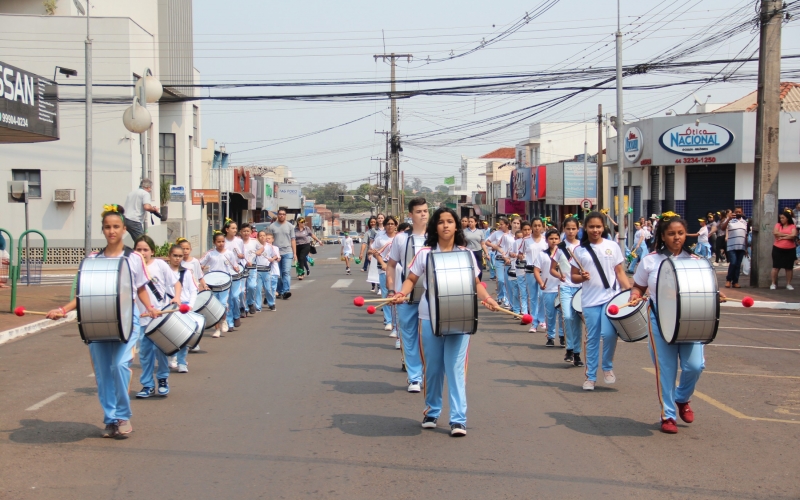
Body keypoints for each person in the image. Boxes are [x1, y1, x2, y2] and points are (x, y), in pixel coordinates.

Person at [45, 204, 156, 438]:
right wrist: (62, 309)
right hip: (97, 321)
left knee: (119, 366)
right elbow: (84, 294)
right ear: (103, 230)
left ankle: (123, 416)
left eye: (116, 226)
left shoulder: (134, 258)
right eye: (107, 227)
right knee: (103, 373)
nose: (111, 231)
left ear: (124, 229)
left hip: (128, 321)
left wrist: (150, 307)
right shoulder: (92, 259)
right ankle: (110, 419)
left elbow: (141, 288)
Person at [392, 207, 499, 437]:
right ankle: (432, 411)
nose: (446, 225)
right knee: (432, 369)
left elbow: (477, 283)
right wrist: (401, 294)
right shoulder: (424, 254)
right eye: (441, 222)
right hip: (429, 318)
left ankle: (458, 419)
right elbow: (411, 279)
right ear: (435, 227)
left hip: (460, 318)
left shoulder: (467, 254)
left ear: (456, 226)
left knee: (455, 368)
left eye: (450, 221)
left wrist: (488, 299)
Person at [628, 213, 723, 434]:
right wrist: (635, 295)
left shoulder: (697, 261)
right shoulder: (650, 260)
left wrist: (717, 294)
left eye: (680, 233)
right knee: (666, 370)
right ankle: (668, 415)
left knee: (695, 366)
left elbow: (708, 288)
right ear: (662, 236)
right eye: (671, 234)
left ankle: (682, 398)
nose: (677, 237)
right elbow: (639, 286)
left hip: (691, 319)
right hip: (660, 320)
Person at [570, 211, 631, 391]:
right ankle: (590, 377)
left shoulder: (612, 246)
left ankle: (607, 367)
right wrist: (581, 277)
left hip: (611, 298)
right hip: (589, 301)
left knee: (611, 334)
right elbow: (573, 277)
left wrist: (628, 291)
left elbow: (620, 272)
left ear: (603, 227)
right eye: (591, 227)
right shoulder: (579, 251)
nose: (595, 230)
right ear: (585, 228)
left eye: (598, 226)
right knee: (592, 338)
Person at [386, 198, 429, 393]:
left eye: (426, 211)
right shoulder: (401, 238)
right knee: (409, 337)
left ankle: (429, 372)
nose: (423, 214)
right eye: (419, 211)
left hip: (431, 297)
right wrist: (392, 290)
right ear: (410, 215)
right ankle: (414, 377)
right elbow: (391, 265)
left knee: (428, 337)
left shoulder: (436, 236)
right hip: (406, 296)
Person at [133, 235, 180, 399]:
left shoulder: (160, 265)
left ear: (152, 251)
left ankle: (162, 379)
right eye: (138, 249)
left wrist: (177, 298)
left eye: (145, 249)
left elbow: (176, 283)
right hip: (141, 318)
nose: (142, 252)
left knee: (160, 350)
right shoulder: (132, 268)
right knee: (145, 353)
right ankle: (147, 384)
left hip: (160, 318)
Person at [551, 217, 583, 366]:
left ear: (578, 229)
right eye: (568, 229)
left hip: (581, 288)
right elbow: (552, 269)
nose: (571, 231)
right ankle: (569, 347)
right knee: (568, 317)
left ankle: (576, 353)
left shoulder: (583, 247)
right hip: (565, 287)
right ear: (564, 229)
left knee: (577, 320)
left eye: (573, 229)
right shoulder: (559, 247)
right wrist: (560, 275)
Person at [200, 231, 240, 337]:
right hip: (212, 282)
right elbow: (200, 264)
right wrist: (201, 268)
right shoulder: (210, 254)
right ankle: (217, 329)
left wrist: (236, 268)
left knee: (222, 303)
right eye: (218, 242)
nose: (221, 243)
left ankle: (224, 319)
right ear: (214, 242)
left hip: (225, 282)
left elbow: (235, 265)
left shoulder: (229, 253)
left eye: (223, 241)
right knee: (214, 306)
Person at [166, 244, 198, 373]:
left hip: (183, 307)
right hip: (168, 308)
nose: (177, 258)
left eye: (180, 256)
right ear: (169, 256)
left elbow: (193, 290)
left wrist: (190, 305)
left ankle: (182, 362)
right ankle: (170, 358)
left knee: (184, 336)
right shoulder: (164, 272)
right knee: (168, 336)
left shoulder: (186, 272)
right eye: (175, 255)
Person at [534, 229, 563, 347]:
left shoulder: (563, 254)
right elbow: (536, 270)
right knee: (550, 315)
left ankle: (562, 336)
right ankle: (550, 337)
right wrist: (541, 283)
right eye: (551, 238)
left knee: (563, 314)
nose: (554, 241)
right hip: (548, 289)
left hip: (562, 289)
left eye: (556, 238)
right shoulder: (542, 254)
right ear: (546, 240)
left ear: (559, 240)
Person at [371, 215, 398, 333]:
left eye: (392, 224)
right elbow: (373, 251)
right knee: (386, 294)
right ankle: (388, 321)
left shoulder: (400, 238)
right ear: (385, 226)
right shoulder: (380, 238)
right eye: (388, 224)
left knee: (397, 294)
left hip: (398, 268)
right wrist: (382, 263)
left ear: (396, 225)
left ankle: (396, 322)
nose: (390, 226)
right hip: (384, 267)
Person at [524, 218, 548, 332]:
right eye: (535, 225)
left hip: (543, 271)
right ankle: (534, 323)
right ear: (532, 227)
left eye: (539, 225)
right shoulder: (526, 240)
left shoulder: (545, 240)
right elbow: (520, 254)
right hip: (530, 271)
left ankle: (542, 319)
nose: (537, 228)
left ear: (542, 227)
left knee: (542, 296)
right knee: (533, 297)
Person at [268, 209, 297, 299]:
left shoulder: (290, 226)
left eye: (283, 214)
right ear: (277, 215)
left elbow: (293, 240)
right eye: (280, 214)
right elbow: (269, 241)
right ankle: (279, 290)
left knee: (286, 272)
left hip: (288, 252)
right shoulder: (272, 226)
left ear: (286, 216)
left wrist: (295, 253)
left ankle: (286, 291)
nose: (281, 216)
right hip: (276, 253)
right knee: (278, 273)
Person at [122, 179, 161, 244]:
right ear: (148, 187)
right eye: (150, 188)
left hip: (125, 219)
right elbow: (146, 207)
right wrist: (154, 209)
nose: (150, 190)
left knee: (137, 241)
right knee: (142, 242)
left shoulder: (131, 193)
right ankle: (139, 254)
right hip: (135, 220)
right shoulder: (145, 194)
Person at [719, 207, 749, 288]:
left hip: (741, 247)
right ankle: (728, 280)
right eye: (736, 212)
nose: (738, 213)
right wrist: (728, 219)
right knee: (733, 263)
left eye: (739, 212)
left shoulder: (745, 222)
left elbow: (745, 236)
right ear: (733, 213)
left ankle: (735, 282)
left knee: (738, 265)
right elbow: (722, 228)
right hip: (731, 247)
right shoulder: (730, 221)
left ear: (742, 213)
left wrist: (746, 248)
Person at [222, 219, 245, 326]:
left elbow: (243, 255)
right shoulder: (222, 241)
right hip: (225, 272)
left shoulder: (239, 241)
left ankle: (236, 314)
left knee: (235, 296)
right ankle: (230, 321)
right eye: (233, 228)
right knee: (227, 298)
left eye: (236, 228)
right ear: (227, 229)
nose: (235, 230)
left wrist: (241, 257)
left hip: (236, 271)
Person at [485, 218, 513, 308]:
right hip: (499, 258)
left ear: (507, 225)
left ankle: (507, 299)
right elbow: (487, 242)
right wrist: (494, 246)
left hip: (509, 260)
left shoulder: (512, 234)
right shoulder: (496, 233)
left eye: (501, 224)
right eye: (499, 224)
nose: (500, 226)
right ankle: (500, 296)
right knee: (500, 280)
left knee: (507, 281)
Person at [240, 223, 264, 314]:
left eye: (248, 231)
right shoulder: (238, 242)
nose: (246, 233)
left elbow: (261, 248)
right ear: (241, 232)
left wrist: (258, 252)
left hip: (252, 267)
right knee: (242, 290)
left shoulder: (254, 241)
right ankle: (242, 307)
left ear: (251, 232)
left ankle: (250, 303)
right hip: (241, 268)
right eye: (244, 231)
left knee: (251, 286)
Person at [771, 210, 797, 290]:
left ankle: (788, 284)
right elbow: (775, 233)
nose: (781, 219)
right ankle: (773, 283)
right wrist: (787, 235)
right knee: (776, 266)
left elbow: (793, 235)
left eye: (783, 218)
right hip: (778, 248)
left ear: (787, 218)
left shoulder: (792, 226)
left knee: (789, 267)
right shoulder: (778, 225)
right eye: (780, 218)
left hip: (790, 249)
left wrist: (782, 237)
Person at [255, 231, 280, 311]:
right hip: (258, 270)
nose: (262, 237)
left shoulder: (269, 246)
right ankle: (258, 306)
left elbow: (276, 255)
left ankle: (271, 303)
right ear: (258, 237)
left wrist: (272, 259)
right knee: (258, 289)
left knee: (268, 289)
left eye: (264, 235)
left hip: (267, 270)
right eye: (260, 236)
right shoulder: (255, 246)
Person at [464, 216, 485, 281]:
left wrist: (486, 253)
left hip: (478, 252)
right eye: (469, 222)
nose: (470, 223)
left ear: (475, 222)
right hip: (468, 252)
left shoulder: (480, 232)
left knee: (479, 271)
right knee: (470, 270)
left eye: (471, 222)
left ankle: (478, 284)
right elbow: (462, 243)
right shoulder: (464, 231)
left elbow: (483, 243)